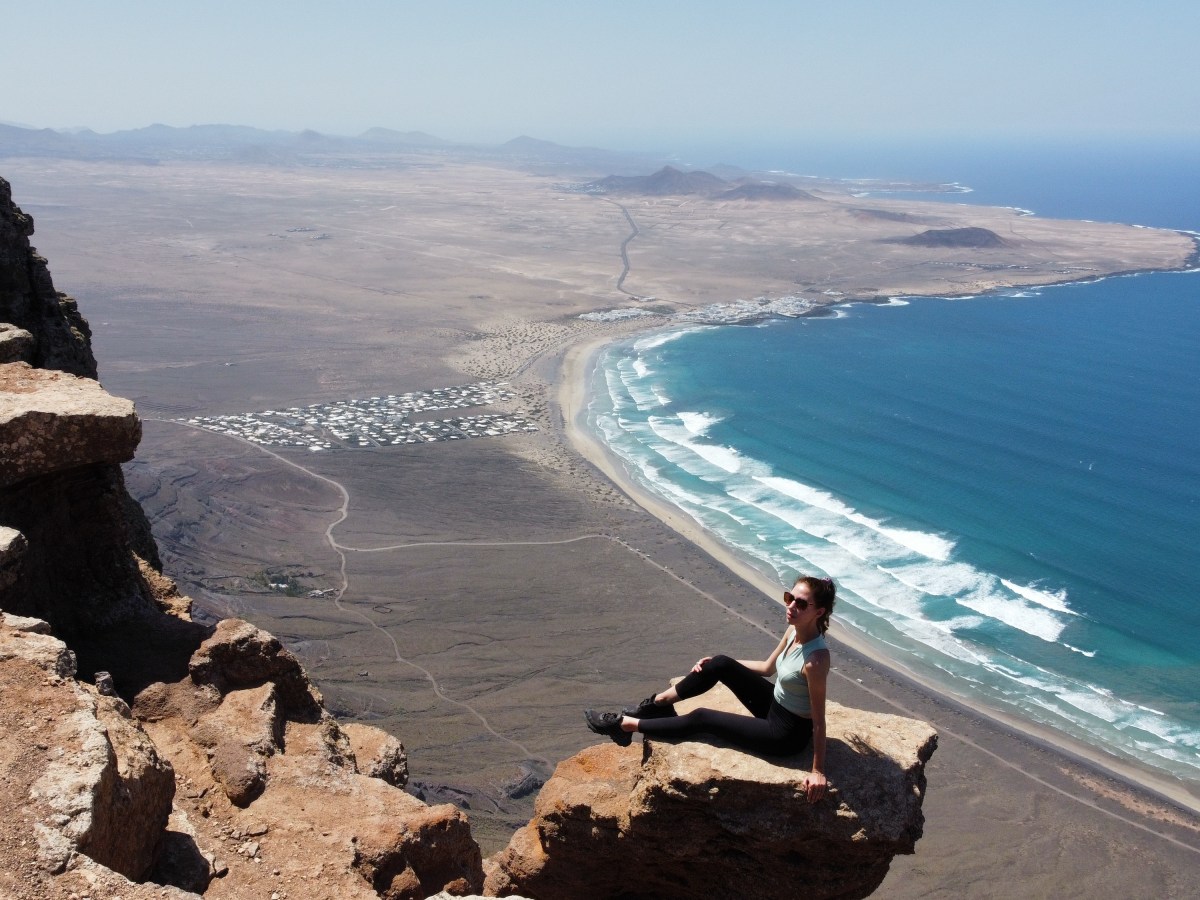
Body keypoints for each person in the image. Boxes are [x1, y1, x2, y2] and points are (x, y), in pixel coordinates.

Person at [585, 575, 834, 802]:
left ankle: (625, 725)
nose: (791, 607)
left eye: (801, 604)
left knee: (703, 718)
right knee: (721, 662)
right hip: (774, 706)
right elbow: (768, 668)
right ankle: (660, 703)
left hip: (785, 733)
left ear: (819, 612)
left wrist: (818, 770)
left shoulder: (816, 660)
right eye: (789, 598)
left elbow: (819, 719)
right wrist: (715, 664)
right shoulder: (793, 631)